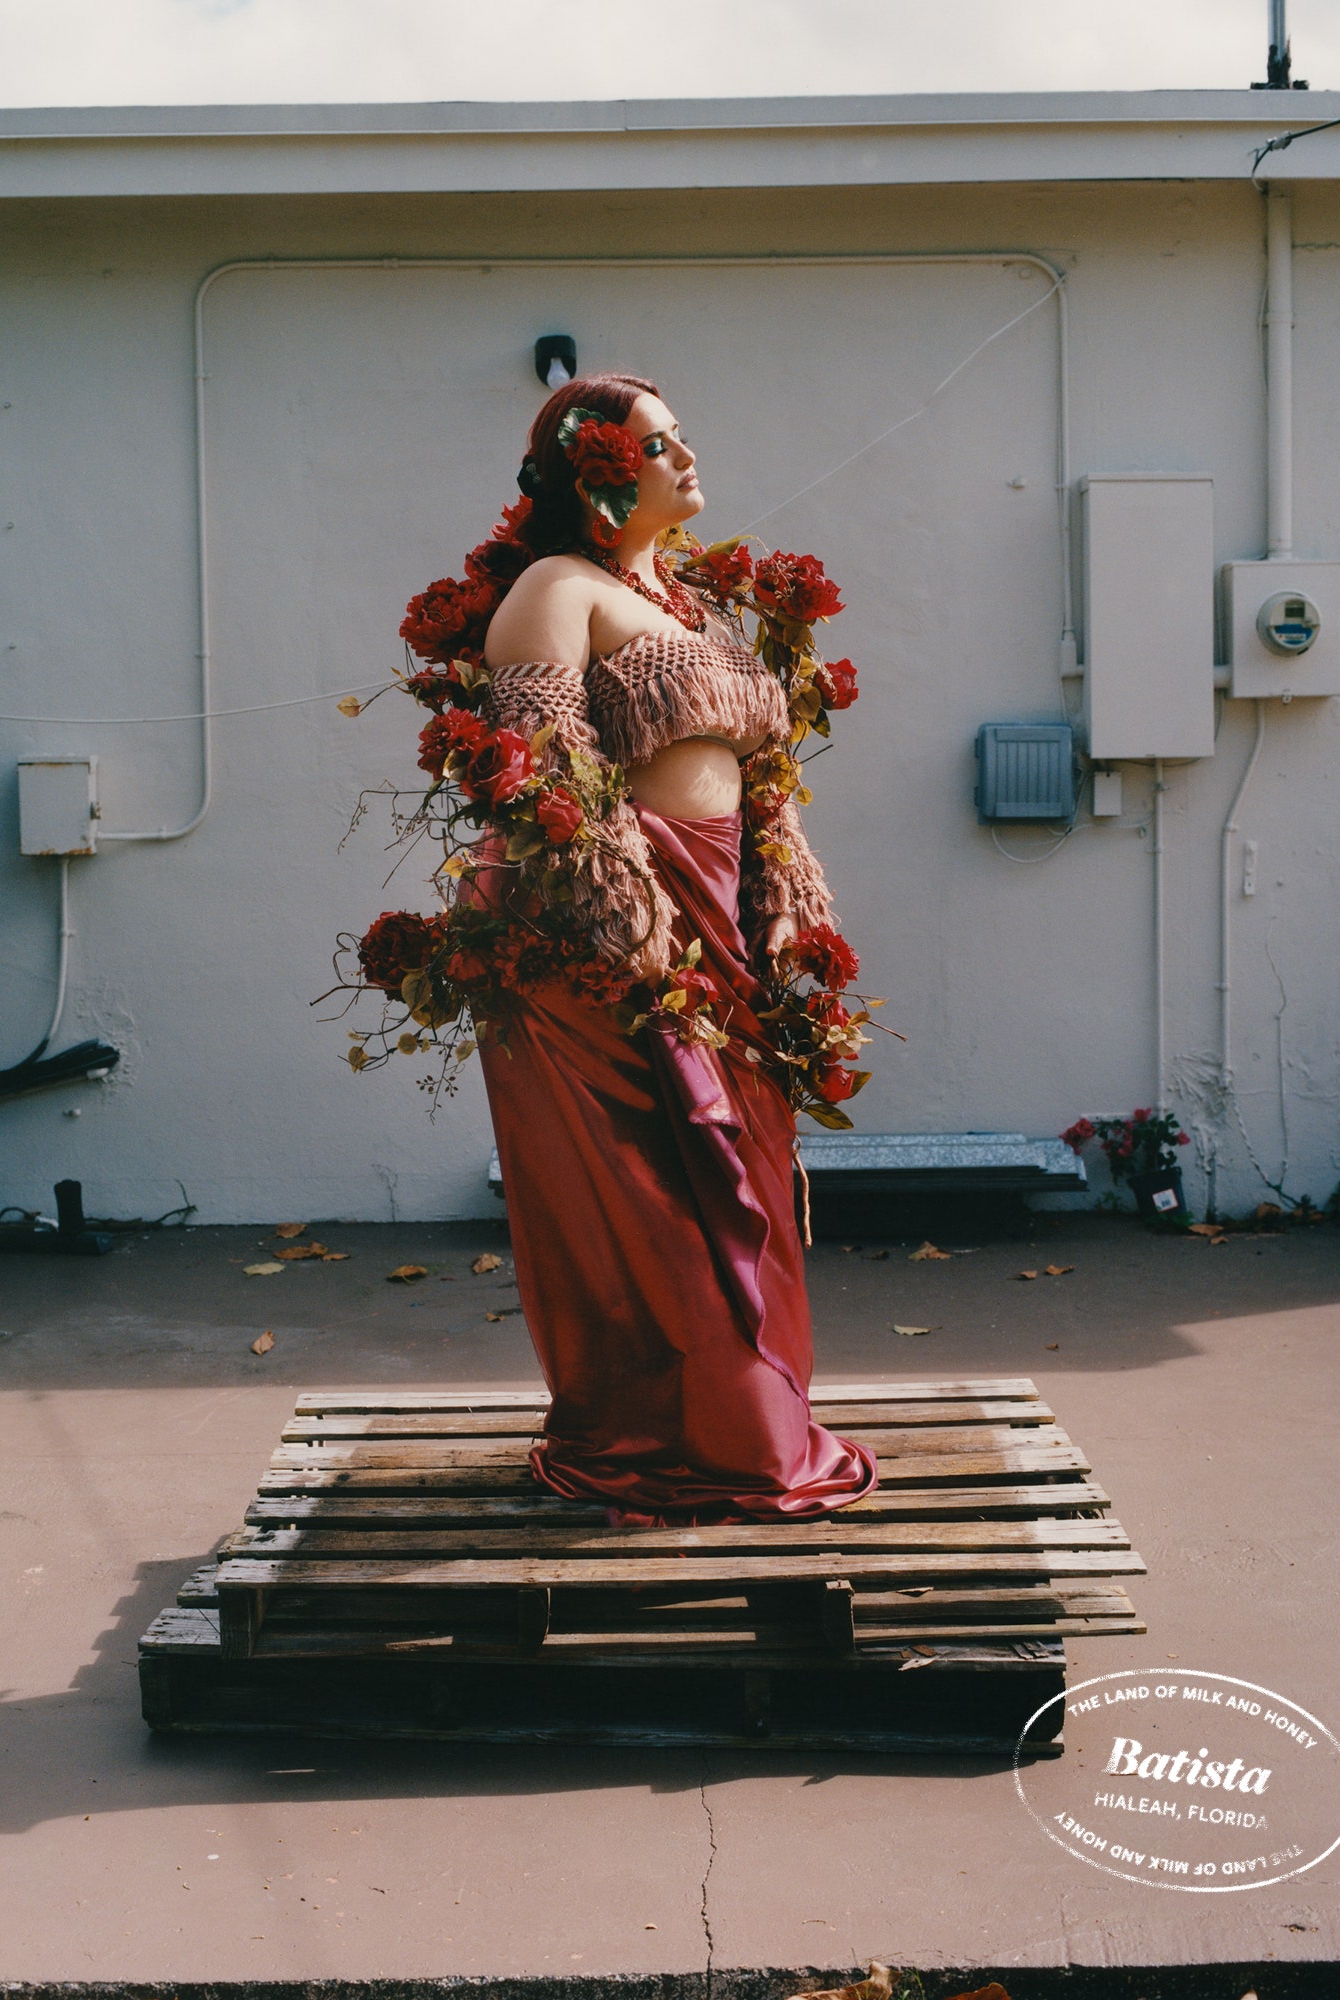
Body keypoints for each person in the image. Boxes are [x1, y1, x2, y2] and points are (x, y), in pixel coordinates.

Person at [472, 372, 877, 1523]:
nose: (686, 456)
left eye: (683, 434)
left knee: (741, 1171)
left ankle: (735, 1415)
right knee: (661, 1190)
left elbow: (761, 781)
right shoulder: (554, 590)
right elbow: (541, 779)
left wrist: (782, 893)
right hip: (608, 932)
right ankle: (677, 1426)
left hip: (718, 915)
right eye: (658, 443)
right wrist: (633, 933)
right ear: (598, 474)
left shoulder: (692, 603)